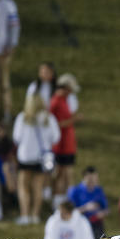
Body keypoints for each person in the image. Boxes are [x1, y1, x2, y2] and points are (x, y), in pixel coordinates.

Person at [13, 93, 60, 225]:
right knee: (38, 187)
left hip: (26, 157)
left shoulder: (22, 118)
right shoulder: (49, 119)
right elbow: (56, 137)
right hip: (42, 158)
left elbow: (16, 138)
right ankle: (35, 215)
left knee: (23, 187)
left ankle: (25, 215)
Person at [49, 74, 81, 207]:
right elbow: (53, 123)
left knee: (66, 173)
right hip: (61, 145)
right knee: (63, 173)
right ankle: (59, 200)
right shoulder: (56, 101)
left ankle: (63, 199)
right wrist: (73, 120)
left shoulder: (64, 100)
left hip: (67, 144)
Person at [67, 166, 108, 239]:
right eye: (90, 179)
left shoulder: (99, 190)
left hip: (96, 225)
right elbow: (70, 212)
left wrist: (101, 214)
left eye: (95, 179)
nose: (93, 182)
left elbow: (106, 210)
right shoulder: (75, 191)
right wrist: (85, 208)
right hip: (80, 224)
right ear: (84, 178)